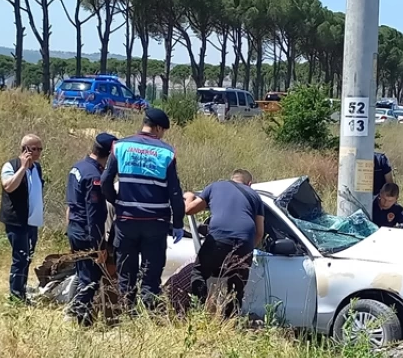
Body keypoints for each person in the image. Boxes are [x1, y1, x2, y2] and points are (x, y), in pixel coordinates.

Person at [101, 107, 183, 310]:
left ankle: (126, 313)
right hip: (156, 223)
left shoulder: (119, 147)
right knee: (151, 273)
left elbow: (104, 181)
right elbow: (174, 192)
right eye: (163, 130)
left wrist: (118, 202)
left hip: (126, 221)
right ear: (157, 128)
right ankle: (148, 315)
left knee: (125, 272)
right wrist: (179, 223)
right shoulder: (166, 152)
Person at [184, 169, 264, 317]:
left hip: (219, 237)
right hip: (244, 241)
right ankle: (230, 323)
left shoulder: (215, 186)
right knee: (236, 287)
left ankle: (198, 314)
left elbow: (189, 210)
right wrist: (246, 250)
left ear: (232, 178)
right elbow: (259, 232)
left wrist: (189, 196)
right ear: (249, 184)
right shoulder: (255, 197)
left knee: (199, 273)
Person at [65, 132, 116, 323]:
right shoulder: (95, 177)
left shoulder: (77, 167)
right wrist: (99, 246)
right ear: (109, 155)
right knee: (90, 279)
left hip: (74, 228)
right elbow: (94, 215)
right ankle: (79, 320)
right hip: (87, 233)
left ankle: (72, 311)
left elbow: (70, 205)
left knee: (81, 273)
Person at [0, 134, 45, 303]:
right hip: (17, 220)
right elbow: (9, 186)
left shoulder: (37, 167)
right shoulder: (10, 166)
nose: (38, 152)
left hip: (32, 220)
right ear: (25, 150)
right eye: (35, 149)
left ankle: (21, 291)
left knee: (28, 257)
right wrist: (23, 168)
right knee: (20, 257)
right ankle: (16, 296)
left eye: (40, 149)